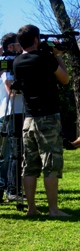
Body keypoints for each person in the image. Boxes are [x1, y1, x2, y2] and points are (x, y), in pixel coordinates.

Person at [13, 25, 70, 216]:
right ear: (36, 40)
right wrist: (57, 54)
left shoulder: (17, 62)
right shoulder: (45, 58)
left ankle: (31, 208)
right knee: (51, 164)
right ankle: (53, 209)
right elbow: (64, 79)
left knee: (29, 165)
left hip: (29, 119)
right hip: (48, 117)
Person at [0, 33, 23, 203]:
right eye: (18, 44)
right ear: (10, 47)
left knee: (17, 153)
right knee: (8, 154)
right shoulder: (6, 66)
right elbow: (11, 91)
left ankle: (12, 188)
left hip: (20, 112)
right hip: (10, 113)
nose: (21, 46)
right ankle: (6, 189)